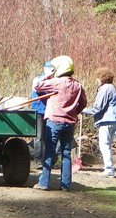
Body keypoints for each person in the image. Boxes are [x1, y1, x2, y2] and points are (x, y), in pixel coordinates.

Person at [33, 55, 87, 191]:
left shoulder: (57, 82)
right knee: (66, 153)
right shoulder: (78, 85)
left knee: (50, 152)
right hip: (70, 123)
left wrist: (47, 75)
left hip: (54, 121)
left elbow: (37, 86)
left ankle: (44, 183)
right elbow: (84, 102)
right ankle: (65, 185)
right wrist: (74, 112)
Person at [82, 68, 116, 177]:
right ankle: (109, 167)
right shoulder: (113, 88)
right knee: (107, 144)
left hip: (107, 120)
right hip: (115, 120)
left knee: (104, 144)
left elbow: (98, 107)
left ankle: (109, 169)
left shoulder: (105, 88)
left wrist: (84, 110)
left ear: (102, 78)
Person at [31, 61, 55, 168]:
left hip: (50, 112)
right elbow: (36, 87)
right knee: (39, 136)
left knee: (48, 136)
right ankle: (38, 160)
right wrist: (46, 77)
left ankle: (48, 159)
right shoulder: (37, 79)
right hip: (39, 111)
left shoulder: (54, 81)